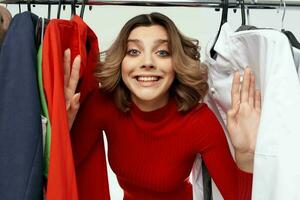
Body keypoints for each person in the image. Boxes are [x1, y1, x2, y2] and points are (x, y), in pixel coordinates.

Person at [65, 12, 261, 200]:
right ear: (122, 62)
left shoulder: (199, 121)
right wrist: (61, 127)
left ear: (176, 64)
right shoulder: (103, 104)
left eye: (162, 52)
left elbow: (236, 196)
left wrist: (245, 155)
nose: (148, 62)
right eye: (134, 51)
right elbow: (63, 171)